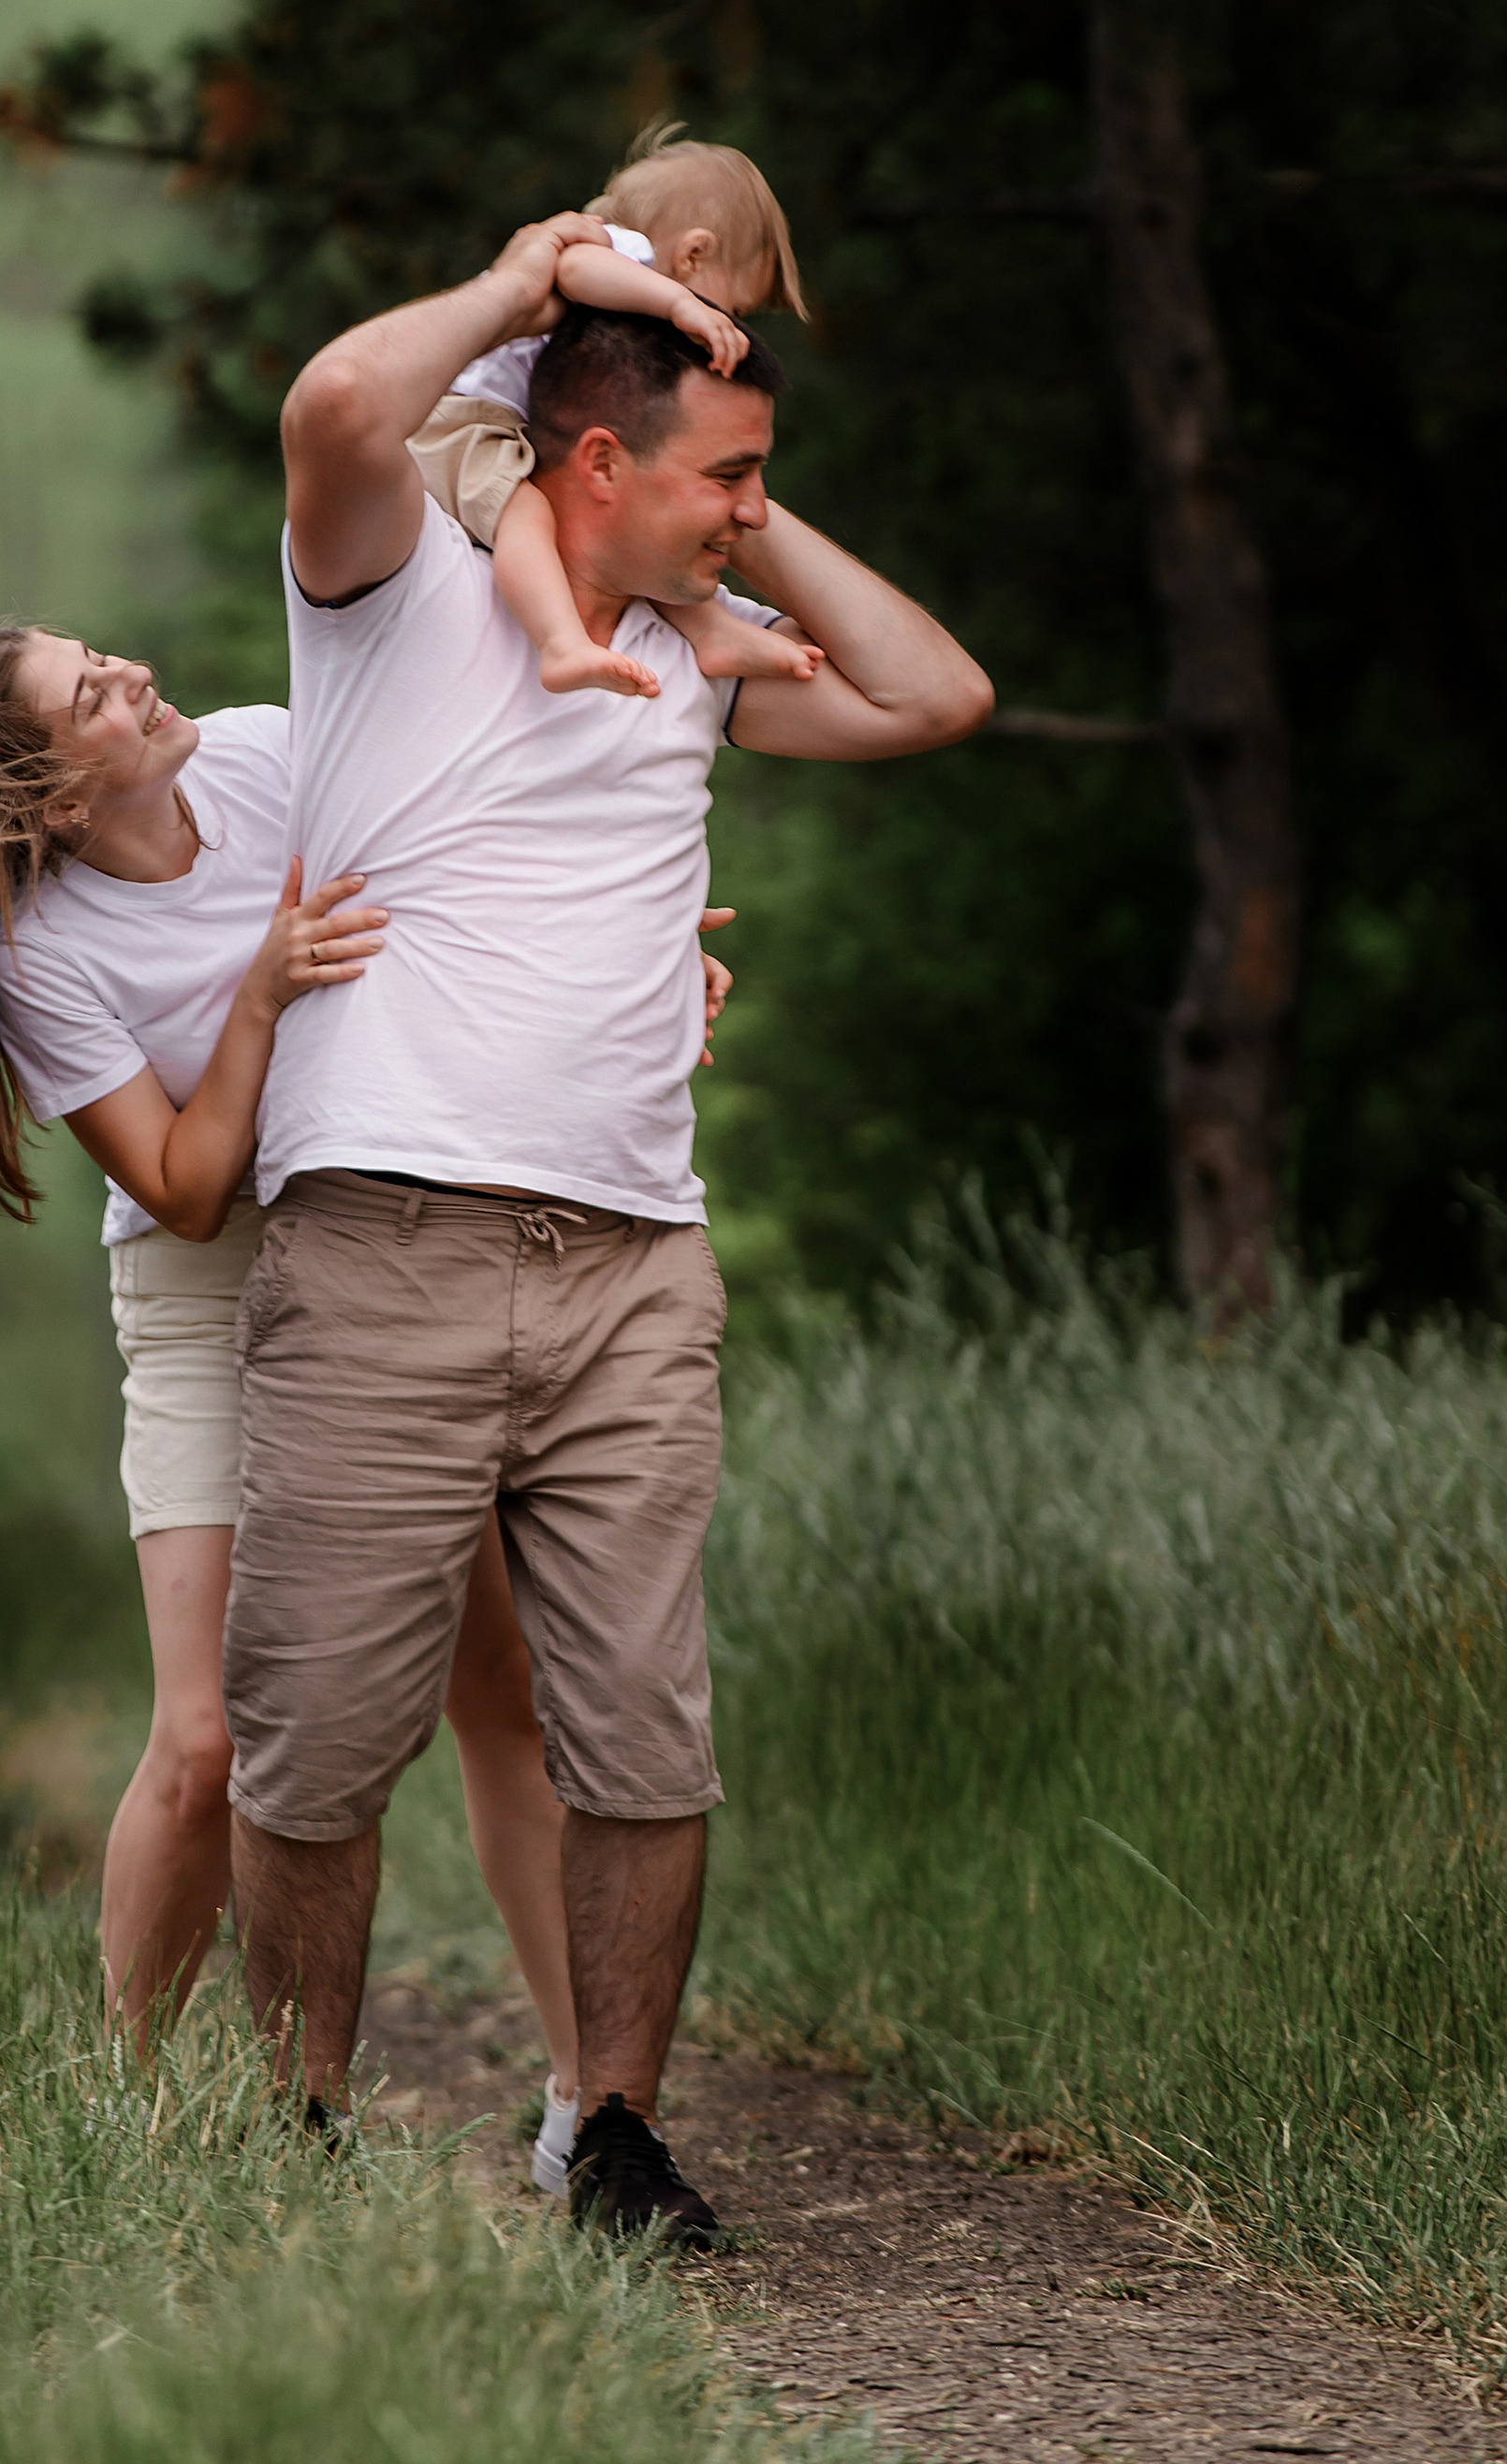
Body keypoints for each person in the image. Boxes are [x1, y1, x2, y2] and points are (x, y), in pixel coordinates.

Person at [224, 211, 993, 2244]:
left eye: (758, 480)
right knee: (313, 1734)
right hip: (382, 1239)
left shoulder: (691, 666)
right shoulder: (388, 592)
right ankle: (287, 2126)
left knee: (645, 1727)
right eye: (726, 476)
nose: (757, 514)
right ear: (584, 464)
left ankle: (617, 2133)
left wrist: (721, 487)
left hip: (634, 1262)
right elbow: (328, 401)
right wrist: (529, 291)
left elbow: (933, 695)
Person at [0, 627, 718, 2188]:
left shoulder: (280, 752)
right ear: (54, 799)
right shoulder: (49, 951)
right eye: (94, 696)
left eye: (102, 656)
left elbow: (474, 888)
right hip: (213, 1288)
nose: (136, 675)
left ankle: (584, 2116)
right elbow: (189, 1191)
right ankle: (128, 2115)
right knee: (209, 1734)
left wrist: (648, 953)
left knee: (507, 1691)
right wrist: (263, 999)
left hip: (402, 1236)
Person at [408, 128, 823, 704]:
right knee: (525, 509)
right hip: (456, 421)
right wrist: (679, 303)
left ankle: (711, 633)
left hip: (501, 424)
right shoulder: (620, 251)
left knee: (630, 534)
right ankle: (560, 644)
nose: (733, 322)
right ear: (694, 254)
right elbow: (573, 269)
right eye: (738, 306)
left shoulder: (631, 296)